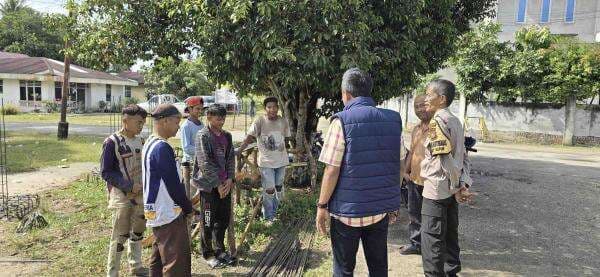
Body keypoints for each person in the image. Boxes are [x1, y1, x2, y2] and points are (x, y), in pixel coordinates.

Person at [315, 68, 403, 277]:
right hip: (379, 211)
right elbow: (399, 165)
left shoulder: (341, 121)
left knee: (344, 270)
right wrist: (392, 200)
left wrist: (321, 206)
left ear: (346, 93)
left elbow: (331, 170)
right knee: (379, 267)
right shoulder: (393, 120)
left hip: (347, 213)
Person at [420, 79, 474, 277]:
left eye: (429, 94)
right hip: (450, 192)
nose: (425, 98)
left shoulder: (437, 122)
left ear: (441, 99)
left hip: (436, 191)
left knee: (432, 242)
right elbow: (464, 157)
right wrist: (462, 184)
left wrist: (458, 184)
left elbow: (444, 159)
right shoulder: (456, 121)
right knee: (450, 238)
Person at [142, 104, 193, 277]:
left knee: (159, 255)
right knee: (175, 261)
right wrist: (187, 208)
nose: (179, 126)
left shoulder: (150, 142)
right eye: (176, 121)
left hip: (154, 208)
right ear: (164, 121)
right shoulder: (162, 148)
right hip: (167, 210)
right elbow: (173, 186)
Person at [101, 104, 148, 277]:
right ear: (125, 120)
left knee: (138, 230)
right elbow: (106, 172)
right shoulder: (111, 142)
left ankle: (136, 266)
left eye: (143, 122)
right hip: (122, 195)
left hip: (141, 194)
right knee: (120, 235)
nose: (141, 125)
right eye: (138, 122)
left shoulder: (141, 141)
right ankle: (112, 272)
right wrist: (128, 186)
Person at [191, 104, 236, 269]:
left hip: (225, 185)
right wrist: (218, 184)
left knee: (223, 219)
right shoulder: (203, 136)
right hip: (209, 186)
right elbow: (204, 162)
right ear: (209, 118)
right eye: (218, 118)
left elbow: (231, 158)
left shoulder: (227, 136)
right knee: (208, 220)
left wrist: (230, 179)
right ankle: (208, 253)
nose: (222, 121)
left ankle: (220, 250)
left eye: (224, 118)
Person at [237, 96, 291, 223]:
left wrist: (283, 148)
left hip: (281, 161)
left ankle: (275, 211)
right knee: (269, 189)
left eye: (274, 107)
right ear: (265, 109)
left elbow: (287, 138)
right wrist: (240, 150)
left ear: (278, 108)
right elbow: (249, 137)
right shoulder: (259, 121)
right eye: (269, 107)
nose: (272, 109)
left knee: (278, 187)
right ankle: (268, 217)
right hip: (266, 162)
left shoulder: (283, 121)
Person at [399, 95, 432, 256]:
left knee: (432, 216)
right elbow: (411, 152)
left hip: (432, 182)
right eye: (416, 106)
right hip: (414, 179)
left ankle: (431, 247)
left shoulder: (437, 128)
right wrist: (405, 171)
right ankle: (415, 244)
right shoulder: (416, 129)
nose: (420, 109)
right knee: (414, 214)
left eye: (423, 105)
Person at [181, 96, 205, 200]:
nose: (200, 111)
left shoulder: (201, 124)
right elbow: (187, 148)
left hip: (200, 163)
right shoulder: (186, 126)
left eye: (201, 109)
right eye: (197, 109)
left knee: (200, 194)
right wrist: (203, 152)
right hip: (190, 164)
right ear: (190, 109)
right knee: (190, 195)